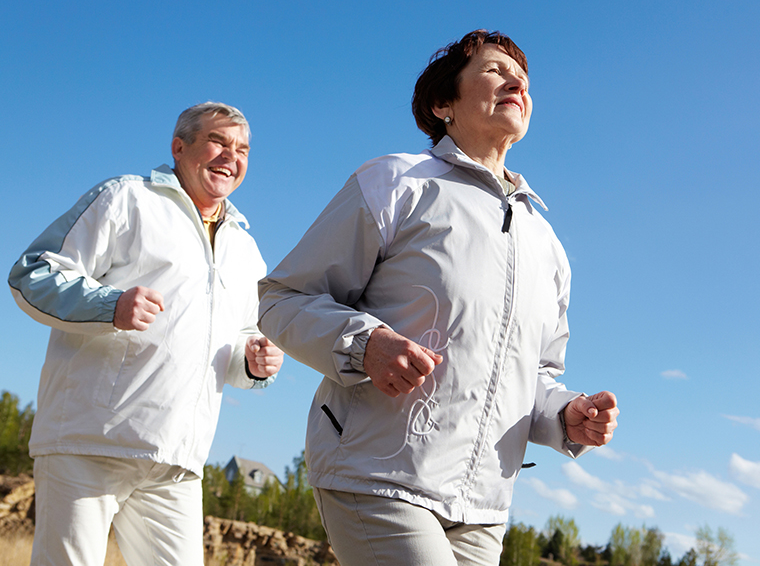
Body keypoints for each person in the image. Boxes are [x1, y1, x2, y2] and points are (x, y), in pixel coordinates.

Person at [258, 30, 620, 566]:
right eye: (494, 70)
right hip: (378, 473)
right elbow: (283, 299)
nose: (516, 80)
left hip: (483, 508)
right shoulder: (395, 182)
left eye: (522, 77)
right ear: (442, 104)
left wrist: (567, 415)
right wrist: (366, 345)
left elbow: (536, 375)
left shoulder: (548, 246)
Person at [8, 102, 284, 566]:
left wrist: (255, 363)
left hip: (177, 463)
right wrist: (110, 305)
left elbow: (237, 346)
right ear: (180, 147)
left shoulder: (246, 248)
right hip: (88, 443)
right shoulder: (127, 198)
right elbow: (32, 275)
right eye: (218, 141)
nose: (230, 157)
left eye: (242, 149)